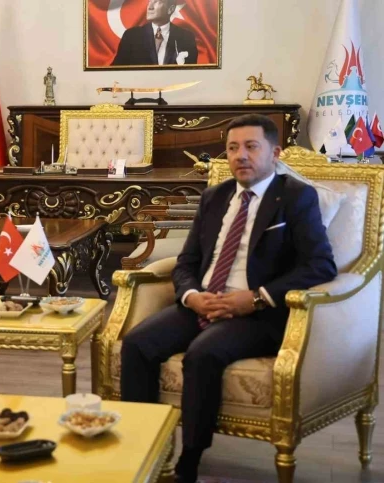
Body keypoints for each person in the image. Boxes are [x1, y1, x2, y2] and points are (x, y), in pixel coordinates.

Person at [120, 114, 337, 483]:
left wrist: (256, 298)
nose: (241, 156)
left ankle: (189, 462)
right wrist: (191, 296)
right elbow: (187, 261)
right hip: (203, 300)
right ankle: (140, 449)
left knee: (202, 354)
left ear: (275, 153)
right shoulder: (215, 197)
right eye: (233, 148)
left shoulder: (296, 197)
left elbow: (320, 265)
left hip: (257, 313)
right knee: (137, 344)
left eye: (251, 147)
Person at [112, 0, 198, 66]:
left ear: (170, 9)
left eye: (157, 1)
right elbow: (117, 70)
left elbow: (190, 72)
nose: (150, 7)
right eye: (150, 1)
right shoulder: (132, 36)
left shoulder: (186, 37)